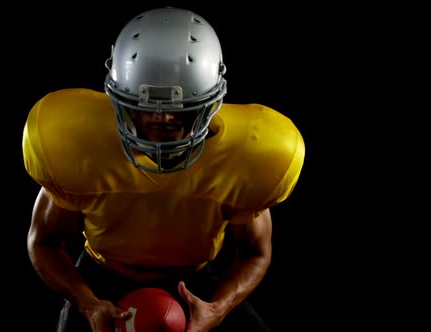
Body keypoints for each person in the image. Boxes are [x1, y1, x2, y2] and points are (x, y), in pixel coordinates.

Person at [22, 6, 305, 332]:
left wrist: (217, 307)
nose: (162, 118)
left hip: (195, 281)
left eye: (181, 107)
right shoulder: (76, 144)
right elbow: (42, 241)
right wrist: (87, 302)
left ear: (212, 102)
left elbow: (256, 252)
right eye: (146, 106)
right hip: (100, 276)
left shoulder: (250, 155)